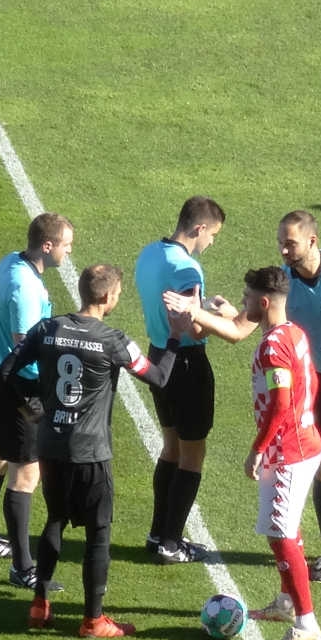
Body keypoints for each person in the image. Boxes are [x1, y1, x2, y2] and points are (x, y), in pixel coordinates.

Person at [167, 210, 321, 581]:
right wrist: (200, 314)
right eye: (280, 243)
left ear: (312, 241)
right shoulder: (282, 284)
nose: (283, 250)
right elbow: (239, 329)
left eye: (290, 243)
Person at [0, 264, 178, 637]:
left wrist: (34, 410)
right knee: (98, 532)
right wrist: (175, 337)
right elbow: (159, 377)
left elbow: (7, 371)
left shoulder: (47, 329)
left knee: (55, 518)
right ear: (109, 296)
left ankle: (39, 603)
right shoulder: (113, 340)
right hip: (91, 451)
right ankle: (93, 620)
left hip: (51, 444)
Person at [0, 212, 73, 592]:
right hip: (22, 388)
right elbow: (25, 345)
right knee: (26, 474)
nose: (68, 252)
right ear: (47, 246)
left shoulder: (9, 263)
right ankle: (22, 568)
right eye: (66, 245)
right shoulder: (27, 287)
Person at [133, 196, 226, 564]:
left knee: (170, 447)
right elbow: (193, 327)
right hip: (188, 365)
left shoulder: (149, 254)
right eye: (212, 235)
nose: (211, 242)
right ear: (199, 228)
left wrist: (201, 309)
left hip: (159, 356)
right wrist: (219, 315)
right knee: (192, 454)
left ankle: (158, 533)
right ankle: (171, 543)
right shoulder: (188, 269)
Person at [237, 267, 321, 640]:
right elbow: (310, 385)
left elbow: (280, 404)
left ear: (263, 302)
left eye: (246, 298)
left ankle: (306, 625)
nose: (242, 304)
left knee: (281, 533)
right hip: (302, 443)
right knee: (283, 529)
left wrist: (259, 448)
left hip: (288, 451)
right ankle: (287, 602)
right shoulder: (295, 334)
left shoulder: (273, 346)